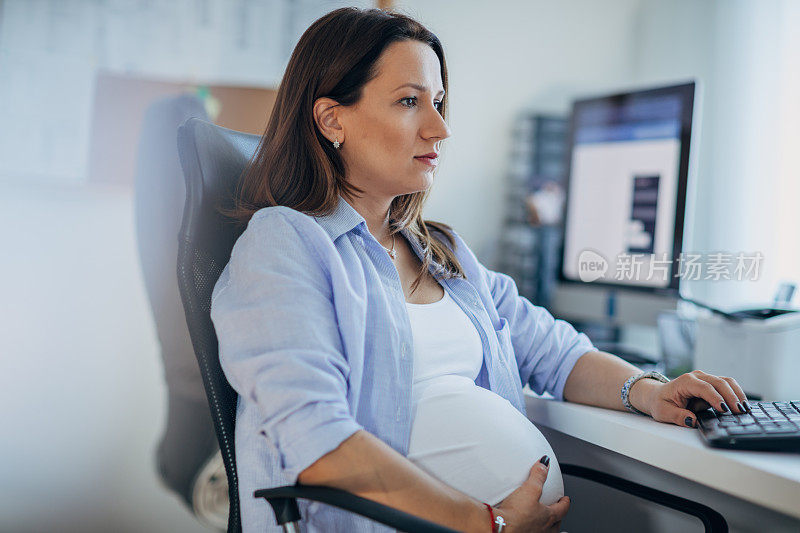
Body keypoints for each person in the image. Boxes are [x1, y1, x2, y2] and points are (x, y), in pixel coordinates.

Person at [210, 7, 751, 533]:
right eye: (408, 102)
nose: (439, 128)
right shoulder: (287, 244)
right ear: (332, 119)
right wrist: (484, 522)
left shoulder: (441, 251)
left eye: (439, 102)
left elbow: (554, 352)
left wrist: (649, 390)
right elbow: (316, 443)